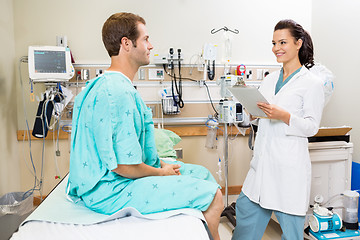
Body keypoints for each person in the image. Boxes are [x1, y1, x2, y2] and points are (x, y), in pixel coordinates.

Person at [66, 12, 223, 240]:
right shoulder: (118, 92)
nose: (151, 45)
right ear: (126, 43)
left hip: (111, 180)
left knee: (202, 173)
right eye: (146, 39)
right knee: (214, 195)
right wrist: (161, 172)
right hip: (110, 190)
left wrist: (163, 166)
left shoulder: (104, 83)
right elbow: (124, 167)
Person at [232, 19, 325, 240]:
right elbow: (263, 116)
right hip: (261, 167)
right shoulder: (269, 80)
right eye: (274, 43)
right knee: (244, 222)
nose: (276, 48)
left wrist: (283, 116)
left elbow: (311, 127)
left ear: (298, 43)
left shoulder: (312, 83)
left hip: (288, 171)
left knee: (291, 234)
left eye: (282, 42)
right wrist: (253, 112)